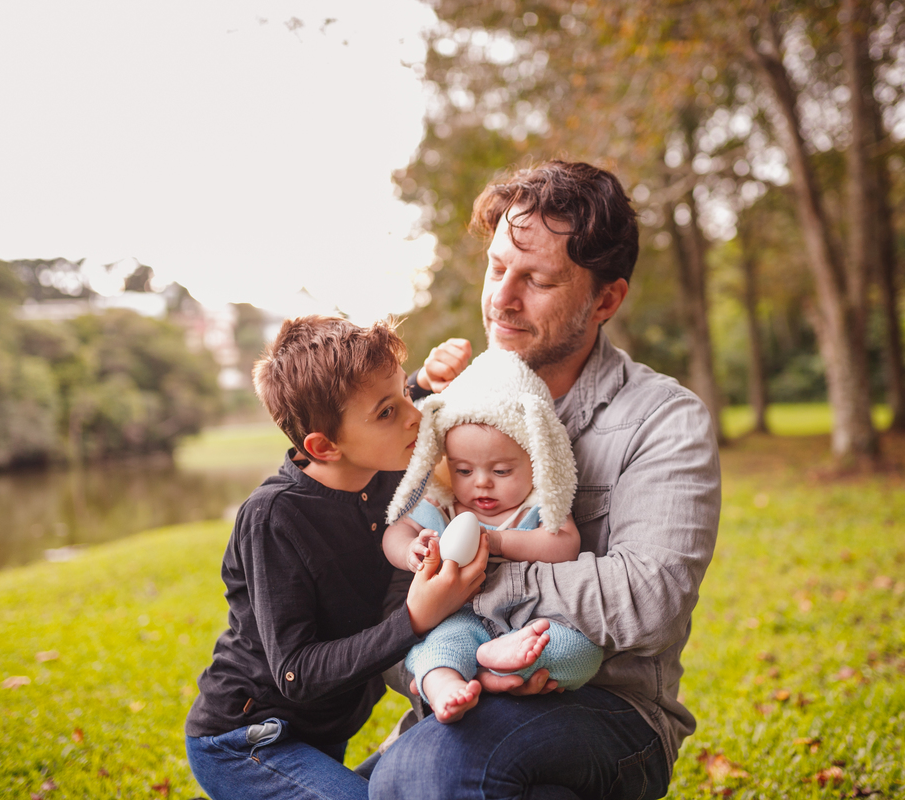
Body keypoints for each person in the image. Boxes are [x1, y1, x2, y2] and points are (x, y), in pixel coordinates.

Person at [368, 161, 721, 800]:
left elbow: (648, 596)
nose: (502, 298)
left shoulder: (664, 421)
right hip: (452, 701)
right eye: (499, 267)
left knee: (424, 775)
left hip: (611, 712)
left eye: (538, 280)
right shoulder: (445, 414)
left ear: (606, 299)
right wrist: (444, 668)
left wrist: (471, 569)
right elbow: (387, 600)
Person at [184, 315, 488, 800]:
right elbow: (296, 672)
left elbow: (384, 405)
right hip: (249, 740)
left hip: (324, 734)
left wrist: (425, 382)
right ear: (322, 447)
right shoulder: (274, 519)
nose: (414, 416)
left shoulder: (383, 463)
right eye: (390, 411)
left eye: (406, 399)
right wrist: (415, 617)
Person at [382, 347, 603, 723]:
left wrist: (499, 541)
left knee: (581, 654)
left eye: (501, 471)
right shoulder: (445, 505)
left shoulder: (536, 506)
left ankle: (497, 666)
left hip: (530, 619)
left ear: (537, 462)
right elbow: (395, 530)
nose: (481, 484)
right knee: (435, 649)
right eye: (464, 470)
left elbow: (565, 544)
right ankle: (447, 686)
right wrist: (409, 550)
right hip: (461, 616)